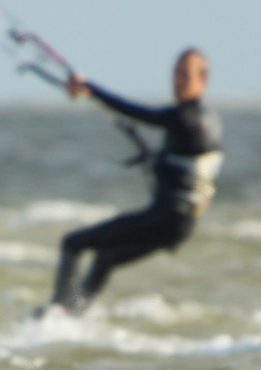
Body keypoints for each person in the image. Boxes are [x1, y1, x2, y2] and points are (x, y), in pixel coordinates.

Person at [46, 49, 223, 314]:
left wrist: (89, 88)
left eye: (185, 74)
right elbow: (183, 168)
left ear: (203, 81)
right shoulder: (206, 120)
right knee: (105, 258)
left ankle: (57, 314)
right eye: (176, 73)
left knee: (73, 243)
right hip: (180, 224)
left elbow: (139, 112)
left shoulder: (187, 117)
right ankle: (76, 312)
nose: (178, 80)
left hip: (167, 216)